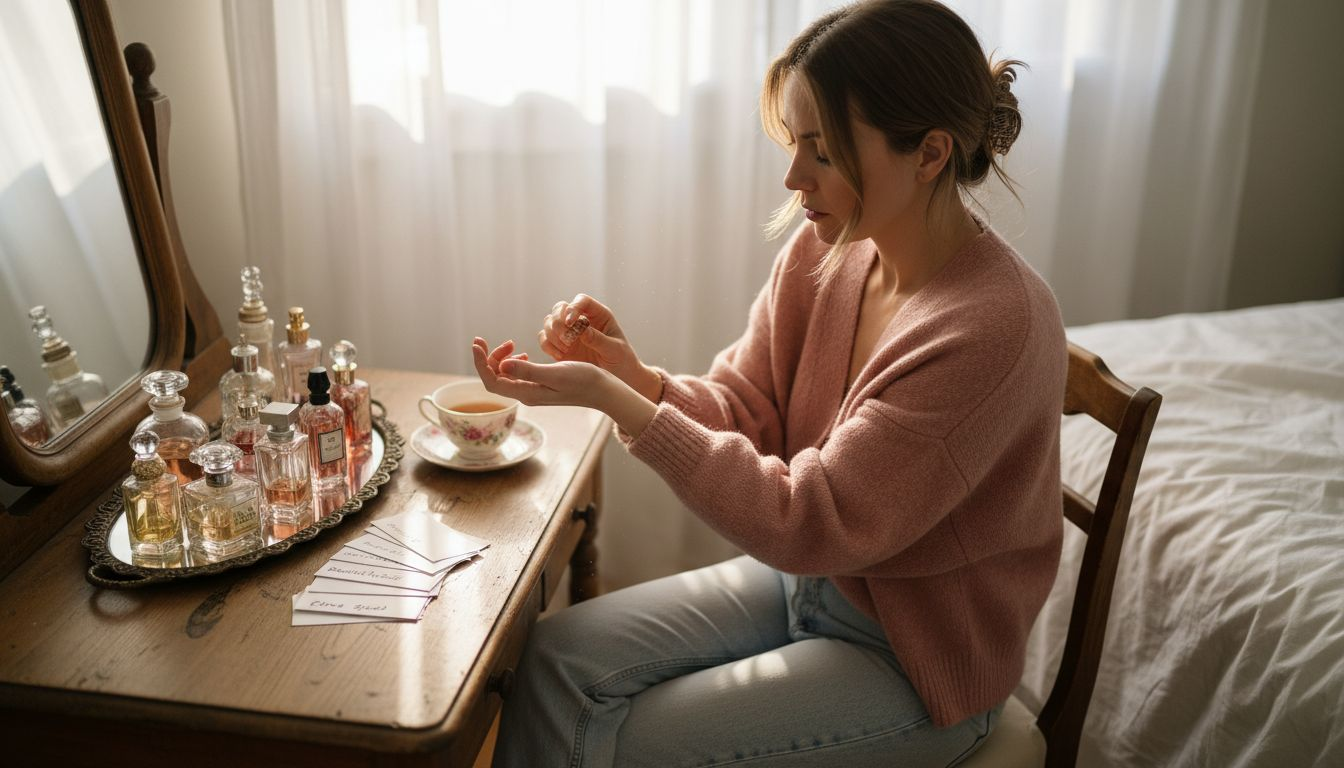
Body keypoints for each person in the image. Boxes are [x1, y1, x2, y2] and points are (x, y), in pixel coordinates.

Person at [471, 1, 1065, 765]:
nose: (793, 177)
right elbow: (748, 409)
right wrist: (637, 377)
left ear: (929, 154)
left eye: (820, 151)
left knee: (636, 744)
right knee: (550, 661)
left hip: (918, 659)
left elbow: (805, 520)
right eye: (795, 144)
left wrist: (615, 402)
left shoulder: (990, 329)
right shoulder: (833, 251)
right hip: (819, 586)